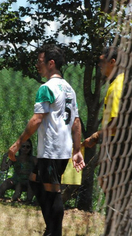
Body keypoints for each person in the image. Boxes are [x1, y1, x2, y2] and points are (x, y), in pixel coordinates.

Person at [8, 44, 85, 236]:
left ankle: (54, 232)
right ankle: (51, 228)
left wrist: (18, 143)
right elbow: (76, 122)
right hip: (63, 148)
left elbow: (36, 119)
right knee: (35, 180)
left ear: (51, 63)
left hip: (52, 148)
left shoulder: (46, 88)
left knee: (53, 191)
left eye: (39, 61)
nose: (36, 65)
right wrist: (76, 150)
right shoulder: (69, 89)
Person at [82, 47, 125, 235]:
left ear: (113, 62)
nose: (99, 66)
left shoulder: (117, 86)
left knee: (110, 184)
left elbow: (117, 121)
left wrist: (96, 136)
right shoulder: (122, 82)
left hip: (117, 145)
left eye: (102, 62)